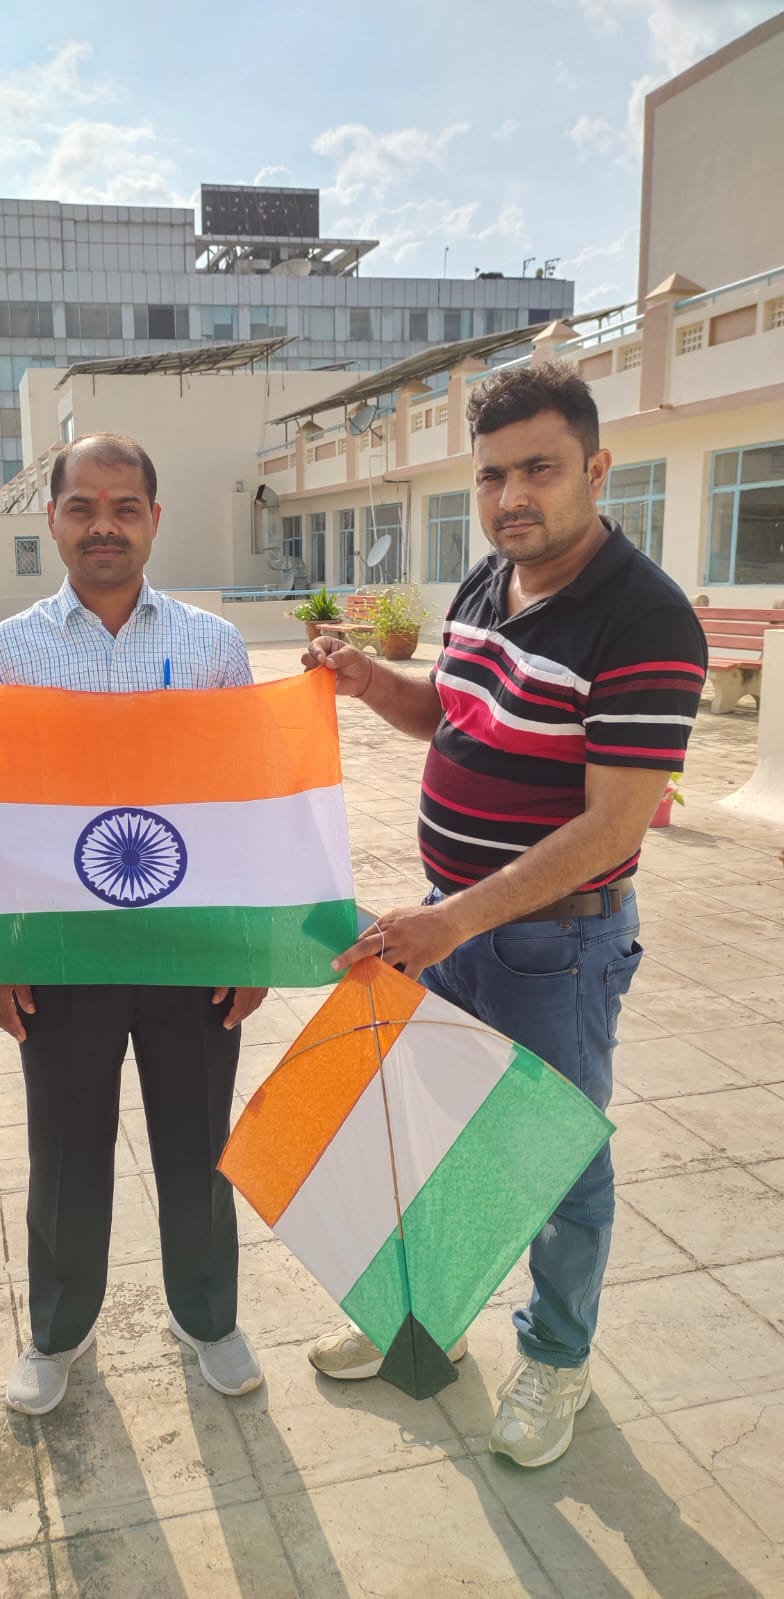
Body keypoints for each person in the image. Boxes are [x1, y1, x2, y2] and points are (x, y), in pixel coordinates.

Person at [305, 362, 707, 1468]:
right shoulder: (491, 579)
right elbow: (450, 713)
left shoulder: (645, 618)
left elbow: (612, 826)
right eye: (492, 476)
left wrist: (456, 921)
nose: (512, 496)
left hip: (553, 946)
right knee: (438, 1137)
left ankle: (557, 1358)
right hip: (455, 922)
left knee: (556, 1159)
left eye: (539, 469)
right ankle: (424, 1318)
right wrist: (366, 682)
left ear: (596, 468)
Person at [0, 432, 267, 1415]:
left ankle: (209, 1319)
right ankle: (58, 1332)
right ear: (52, 518)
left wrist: (250, 944)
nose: (105, 525)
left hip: (192, 949)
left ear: (154, 519)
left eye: (125, 507)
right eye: (83, 507)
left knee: (198, 1145)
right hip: (59, 953)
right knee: (64, 1153)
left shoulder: (215, 647)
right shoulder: (3, 653)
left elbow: (244, 805)